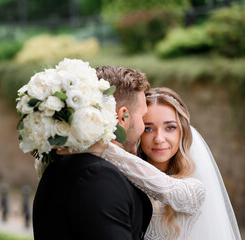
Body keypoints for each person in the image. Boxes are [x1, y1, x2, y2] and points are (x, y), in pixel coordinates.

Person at [75, 87, 242, 239]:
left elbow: (167, 189)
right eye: (148, 128)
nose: (159, 139)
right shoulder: (118, 179)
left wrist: (104, 148)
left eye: (170, 128)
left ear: (182, 132)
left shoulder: (194, 188)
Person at [32, 66, 153, 239]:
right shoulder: (97, 175)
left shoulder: (64, 162)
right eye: (143, 117)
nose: (143, 127)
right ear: (122, 117)